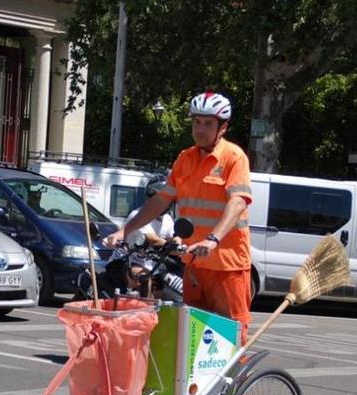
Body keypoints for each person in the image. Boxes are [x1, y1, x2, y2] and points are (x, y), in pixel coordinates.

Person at [105, 91, 254, 344]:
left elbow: (238, 201)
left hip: (227, 265)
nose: (200, 129)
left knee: (230, 334)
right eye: (196, 122)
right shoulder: (185, 159)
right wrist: (125, 231)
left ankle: (236, 383)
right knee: (195, 336)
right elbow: (161, 200)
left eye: (208, 123)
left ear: (223, 127)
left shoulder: (234, 157)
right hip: (195, 264)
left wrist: (212, 239)